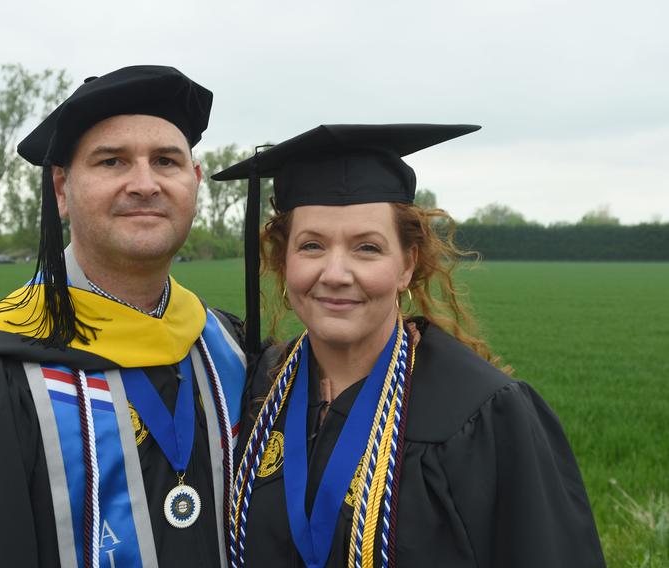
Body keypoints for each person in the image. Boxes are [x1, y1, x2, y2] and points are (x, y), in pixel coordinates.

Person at [0, 66, 247, 568]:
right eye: (112, 161)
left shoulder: (230, 349)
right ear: (62, 189)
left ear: (194, 182)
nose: (144, 183)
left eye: (166, 161)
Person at [212, 124, 605, 567]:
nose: (336, 273)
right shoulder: (260, 389)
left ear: (407, 264)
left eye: (366, 248)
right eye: (312, 245)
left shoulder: (480, 414)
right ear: (284, 262)